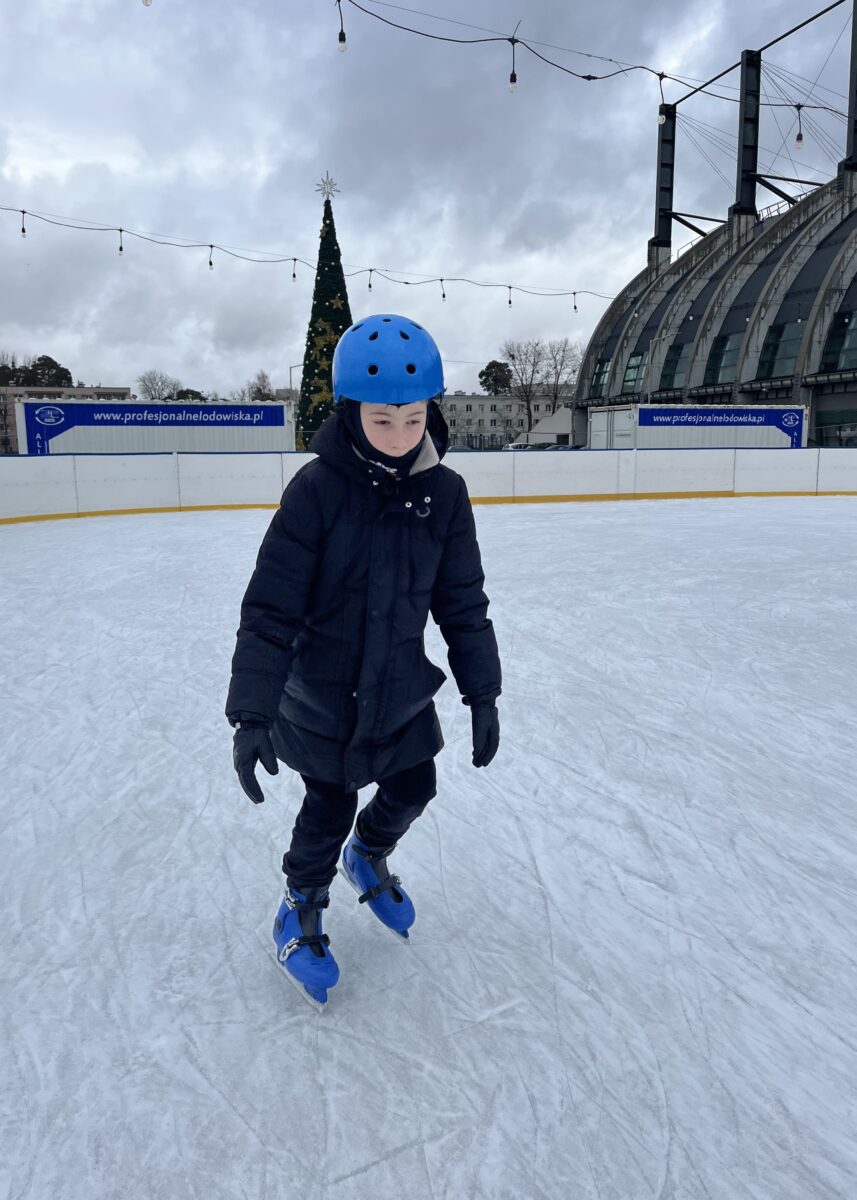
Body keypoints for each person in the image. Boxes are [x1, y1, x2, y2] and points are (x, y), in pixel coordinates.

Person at [225, 313, 501, 1007]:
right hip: (319, 692)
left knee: (414, 788)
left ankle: (368, 854)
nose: (401, 439)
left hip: (399, 688)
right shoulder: (316, 491)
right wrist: (251, 712)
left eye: (413, 420)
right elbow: (270, 608)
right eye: (383, 422)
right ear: (349, 413)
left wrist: (482, 693)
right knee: (328, 806)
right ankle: (301, 901)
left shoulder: (444, 493)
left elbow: (462, 602)